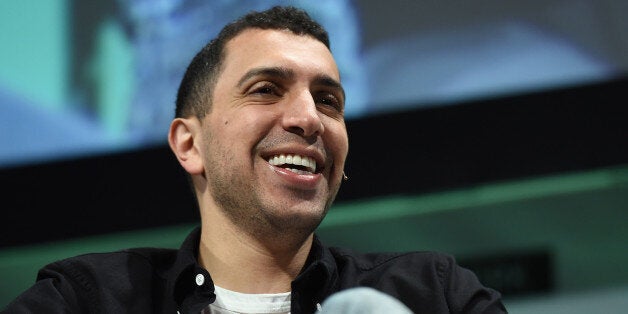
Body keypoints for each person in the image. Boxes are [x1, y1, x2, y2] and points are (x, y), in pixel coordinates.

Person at [3, 6, 506, 314]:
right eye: (266, 90)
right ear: (188, 144)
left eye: (329, 101)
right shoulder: (84, 302)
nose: (310, 119)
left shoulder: (433, 296)